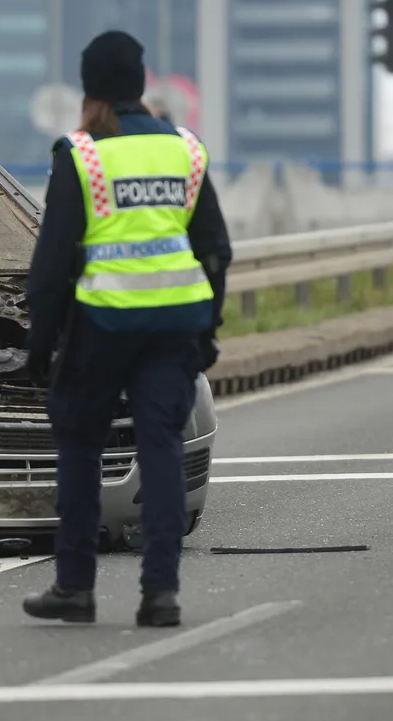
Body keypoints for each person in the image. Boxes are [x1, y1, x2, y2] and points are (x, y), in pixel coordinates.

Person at [22, 31, 232, 628]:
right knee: (160, 446)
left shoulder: (83, 155)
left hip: (102, 327)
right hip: (175, 328)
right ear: (141, 84)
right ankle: (160, 594)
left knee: (82, 449)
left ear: (92, 91)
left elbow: (53, 264)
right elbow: (215, 251)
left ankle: (76, 587)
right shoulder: (186, 152)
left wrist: (42, 345)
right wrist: (208, 329)